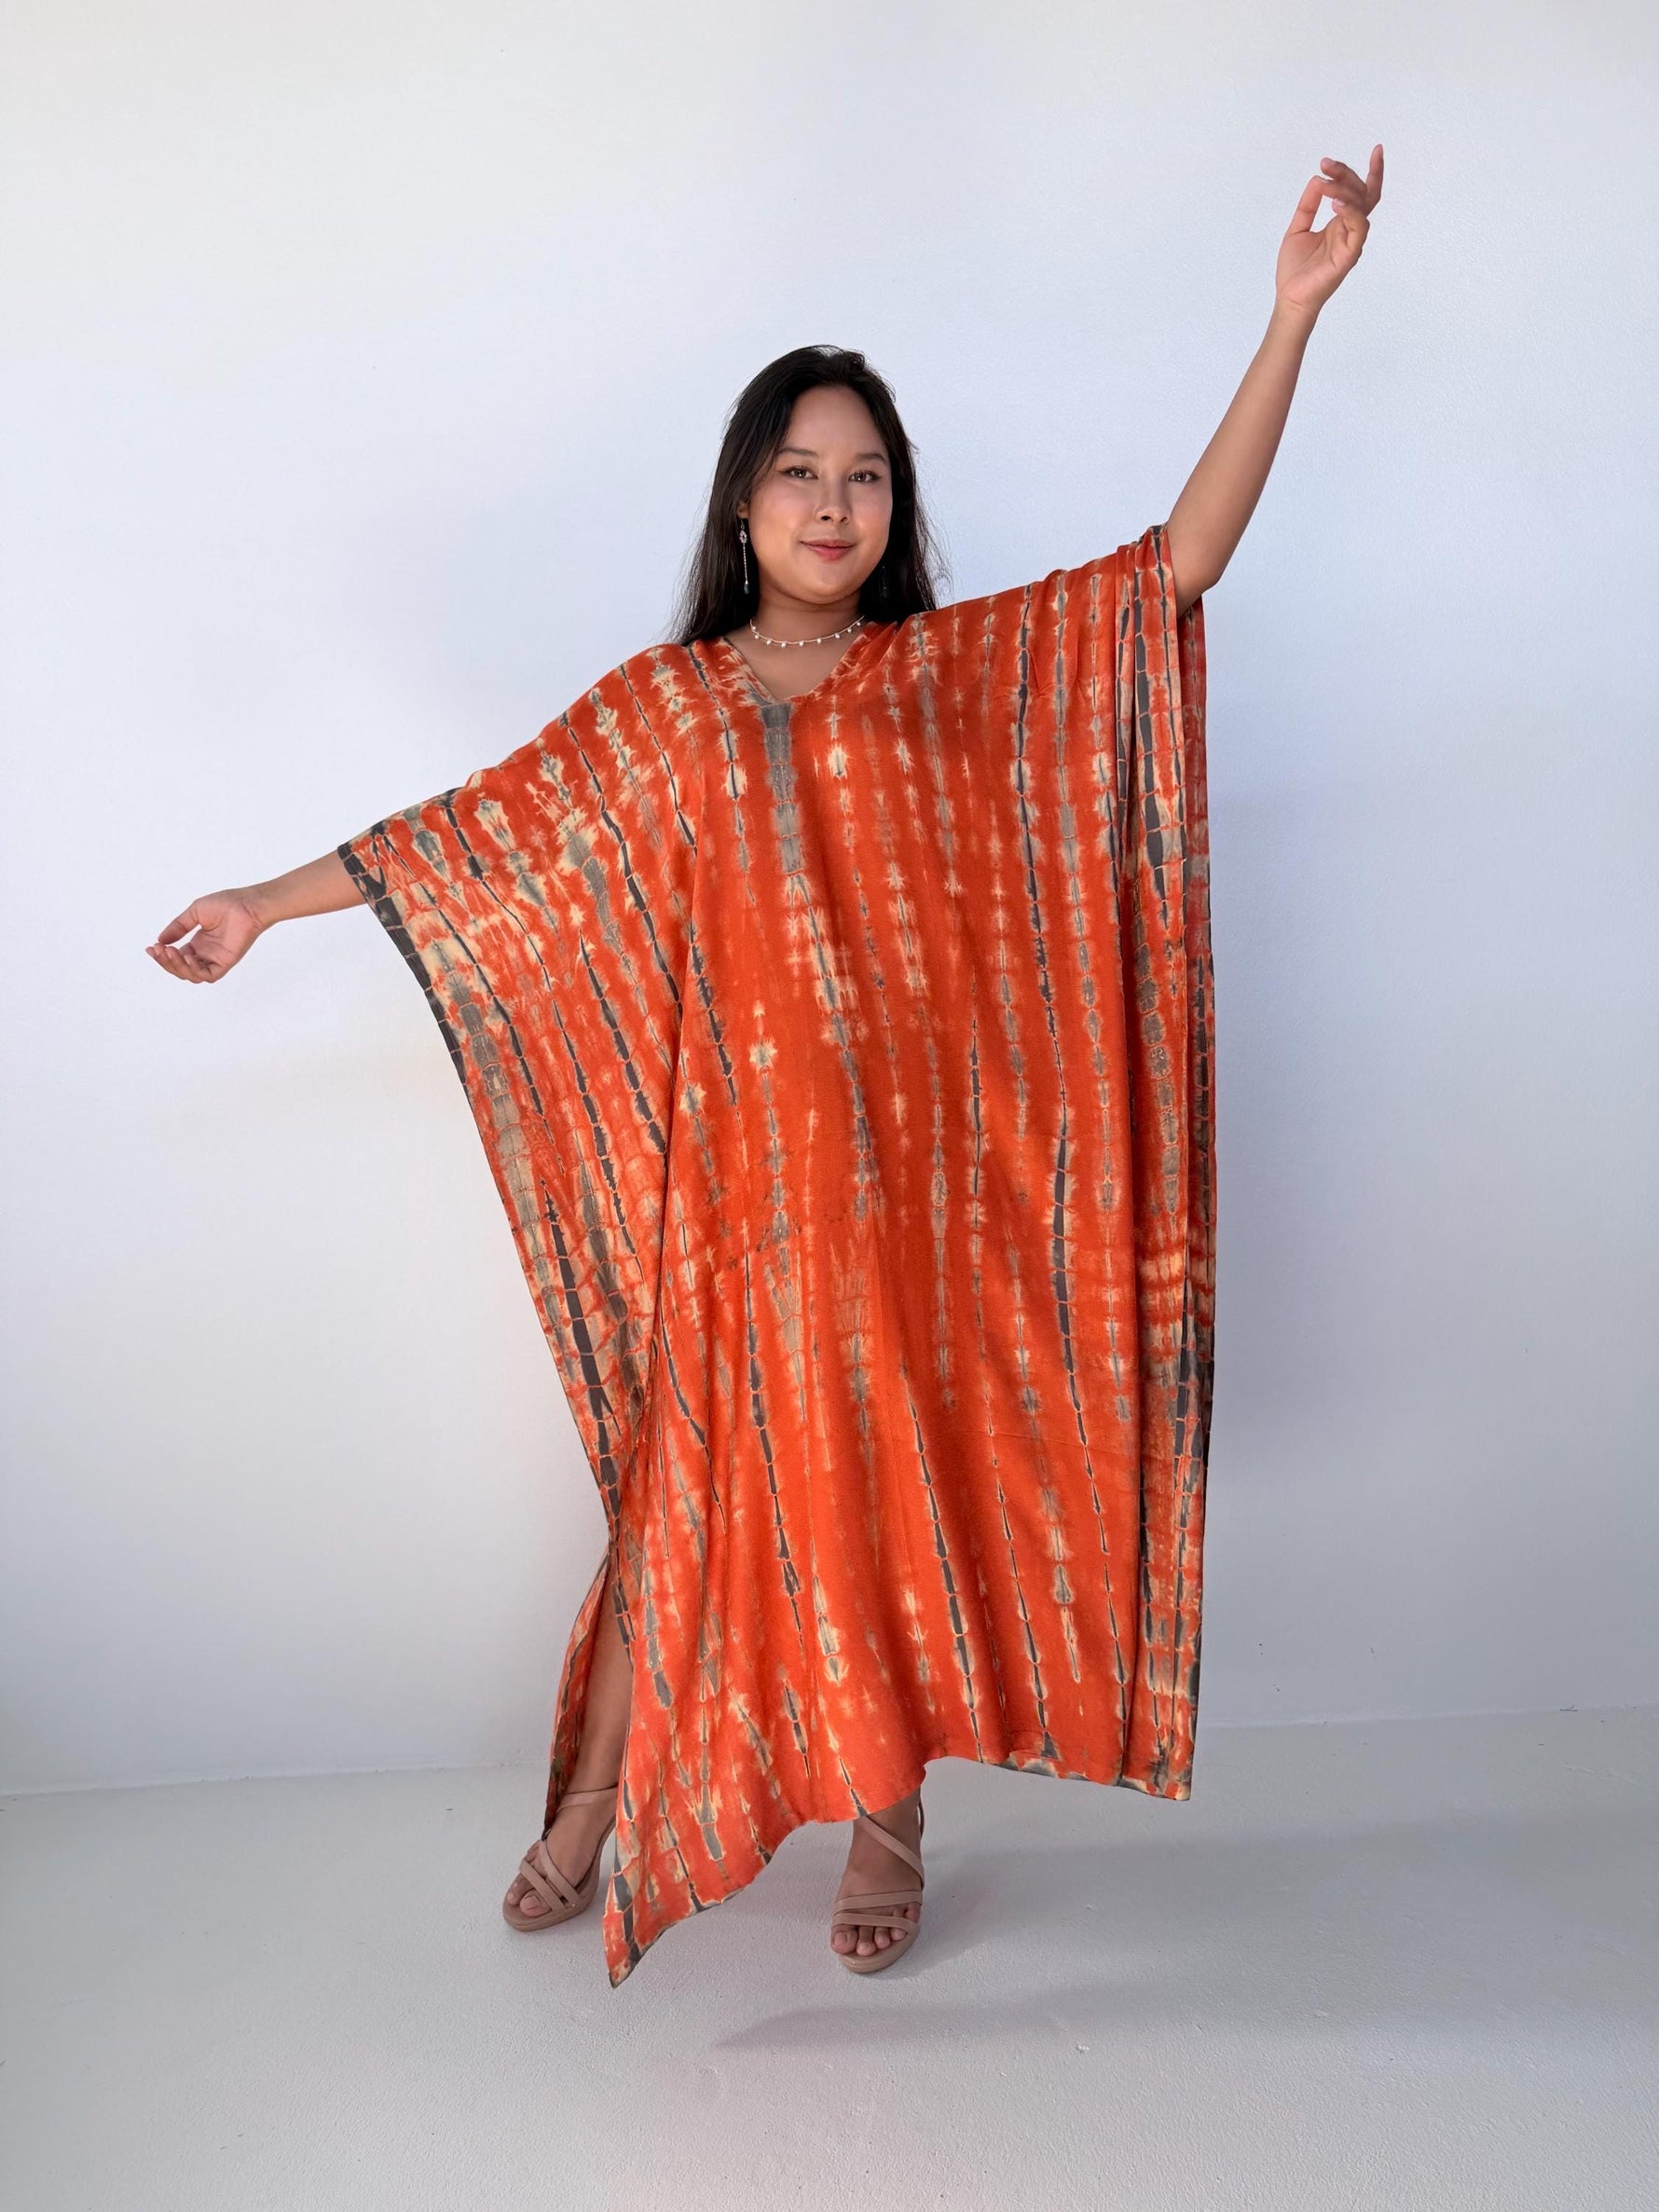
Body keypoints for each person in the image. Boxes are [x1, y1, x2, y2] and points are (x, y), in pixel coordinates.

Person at [146, 148, 1383, 1982]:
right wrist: (264, 900)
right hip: (736, 1192)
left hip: (921, 1201)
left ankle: (888, 1811)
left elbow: (1168, 572)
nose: (832, 500)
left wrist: (1287, 318)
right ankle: (596, 1799)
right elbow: (476, 839)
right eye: (800, 470)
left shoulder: (950, 676)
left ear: (894, 508)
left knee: (893, 1490)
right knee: (689, 1496)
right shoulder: (663, 710)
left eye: (864, 474)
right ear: (744, 498)